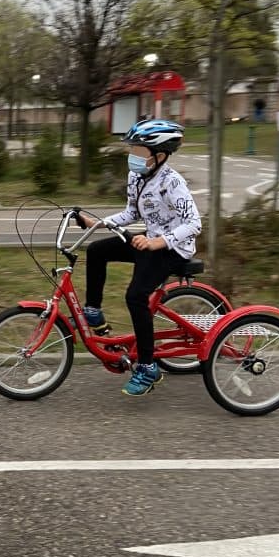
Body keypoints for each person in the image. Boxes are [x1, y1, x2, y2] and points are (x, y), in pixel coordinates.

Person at [78, 119, 201, 397]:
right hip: (149, 239)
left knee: (135, 296)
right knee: (97, 251)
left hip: (173, 247)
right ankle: (94, 312)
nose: (132, 156)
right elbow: (131, 214)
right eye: (131, 150)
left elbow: (194, 223)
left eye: (138, 151)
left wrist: (158, 241)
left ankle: (148, 366)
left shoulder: (172, 182)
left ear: (159, 155)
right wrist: (95, 223)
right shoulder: (138, 177)